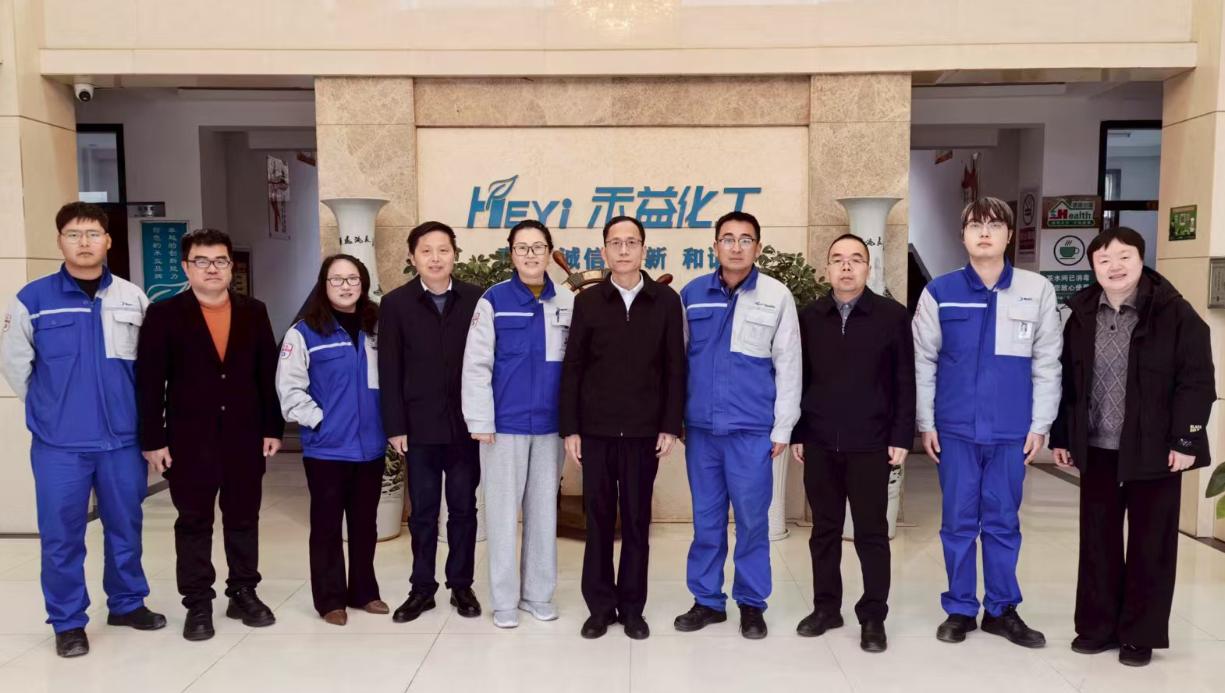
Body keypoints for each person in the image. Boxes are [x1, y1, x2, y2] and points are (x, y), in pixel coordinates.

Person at [0, 202, 165, 658]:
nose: (84, 242)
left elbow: (150, 370)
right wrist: (52, 410)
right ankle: (68, 621)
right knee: (61, 536)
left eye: (93, 233)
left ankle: (127, 603)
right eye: (73, 234)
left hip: (122, 440)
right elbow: (16, 366)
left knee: (126, 526)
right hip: (60, 445)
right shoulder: (32, 299)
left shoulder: (132, 298)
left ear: (108, 240)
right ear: (60, 241)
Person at [1050, 227, 1215, 667]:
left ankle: (1140, 634)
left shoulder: (1175, 313)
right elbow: (1068, 382)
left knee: (1150, 544)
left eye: (1124, 256)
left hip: (1155, 449)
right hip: (1097, 448)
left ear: (1142, 260)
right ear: (1093, 268)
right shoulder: (1081, 313)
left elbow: (1197, 380)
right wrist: (1063, 436)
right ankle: (1097, 627)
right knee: (1097, 540)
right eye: (1103, 260)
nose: (1115, 266)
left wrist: (1186, 439)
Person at [912, 197, 1061, 648]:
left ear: (1009, 235)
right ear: (962, 236)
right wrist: (925, 422)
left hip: (1011, 430)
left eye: (995, 225)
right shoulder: (939, 292)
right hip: (955, 429)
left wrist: (1040, 424)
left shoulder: (1037, 290)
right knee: (957, 522)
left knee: (1002, 521)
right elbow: (924, 362)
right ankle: (960, 608)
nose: (984, 232)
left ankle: (1001, 609)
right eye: (975, 225)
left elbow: (1047, 362)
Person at [136, 228, 284, 642]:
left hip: (244, 437)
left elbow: (267, 374)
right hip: (189, 440)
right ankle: (198, 602)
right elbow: (149, 383)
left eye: (220, 261)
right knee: (194, 522)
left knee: (243, 518)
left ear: (230, 266)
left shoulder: (253, 311)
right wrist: (153, 440)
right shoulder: (164, 314)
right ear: (187, 267)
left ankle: (243, 592)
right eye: (202, 261)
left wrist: (272, 427)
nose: (212, 269)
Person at [673, 211, 801, 640]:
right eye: (727, 238)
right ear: (715, 246)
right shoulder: (692, 294)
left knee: (751, 521)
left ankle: (751, 603)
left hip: (751, 431)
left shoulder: (776, 295)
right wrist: (676, 420)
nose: (736, 246)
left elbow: (789, 365)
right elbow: (677, 361)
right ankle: (707, 600)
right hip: (702, 432)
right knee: (706, 521)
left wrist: (783, 428)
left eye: (746, 239)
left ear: (758, 247)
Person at [560, 215, 686, 640]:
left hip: (644, 433)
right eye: (616, 243)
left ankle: (633, 608)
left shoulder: (665, 300)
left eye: (632, 242)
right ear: (604, 251)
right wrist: (571, 428)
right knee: (597, 521)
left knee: (635, 521)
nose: (624, 249)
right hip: (595, 432)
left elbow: (675, 367)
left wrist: (670, 424)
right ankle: (599, 608)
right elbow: (573, 367)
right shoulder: (588, 302)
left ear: (644, 250)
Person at [791, 233, 915, 653]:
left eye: (856, 259)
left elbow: (904, 380)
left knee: (871, 533)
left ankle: (873, 615)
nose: (846, 266)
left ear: (868, 267)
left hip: (872, 443)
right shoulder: (809, 317)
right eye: (838, 259)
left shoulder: (891, 316)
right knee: (823, 531)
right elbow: (798, 378)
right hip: (820, 441)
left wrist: (901, 435)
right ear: (827, 268)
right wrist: (798, 432)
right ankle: (826, 608)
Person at [462, 219, 574, 629]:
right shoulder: (493, 300)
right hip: (503, 427)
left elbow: (576, 366)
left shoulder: (567, 301)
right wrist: (480, 419)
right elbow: (476, 364)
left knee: (544, 515)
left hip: (549, 426)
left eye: (538, 247)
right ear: (511, 254)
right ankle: (505, 600)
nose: (531, 255)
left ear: (549, 252)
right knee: (502, 516)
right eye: (522, 248)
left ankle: (537, 595)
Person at [379, 222, 484, 623]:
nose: (435, 258)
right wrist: (395, 426)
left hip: (465, 427)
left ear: (455, 254)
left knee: (463, 509)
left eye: (443, 250)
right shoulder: (396, 304)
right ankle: (422, 588)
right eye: (426, 251)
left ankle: (461, 585)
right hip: (418, 428)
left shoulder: (476, 298)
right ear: (413, 258)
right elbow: (389, 368)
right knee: (422, 513)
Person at [277, 255, 388, 626]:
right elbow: (289, 389)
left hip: (370, 447)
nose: (345, 286)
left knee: (365, 525)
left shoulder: (378, 327)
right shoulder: (305, 332)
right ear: (324, 285)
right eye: (336, 279)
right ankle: (330, 600)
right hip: (326, 449)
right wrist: (320, 421)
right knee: (326, 526)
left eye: (352, 278)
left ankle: (364, 592)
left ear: (363, 283)